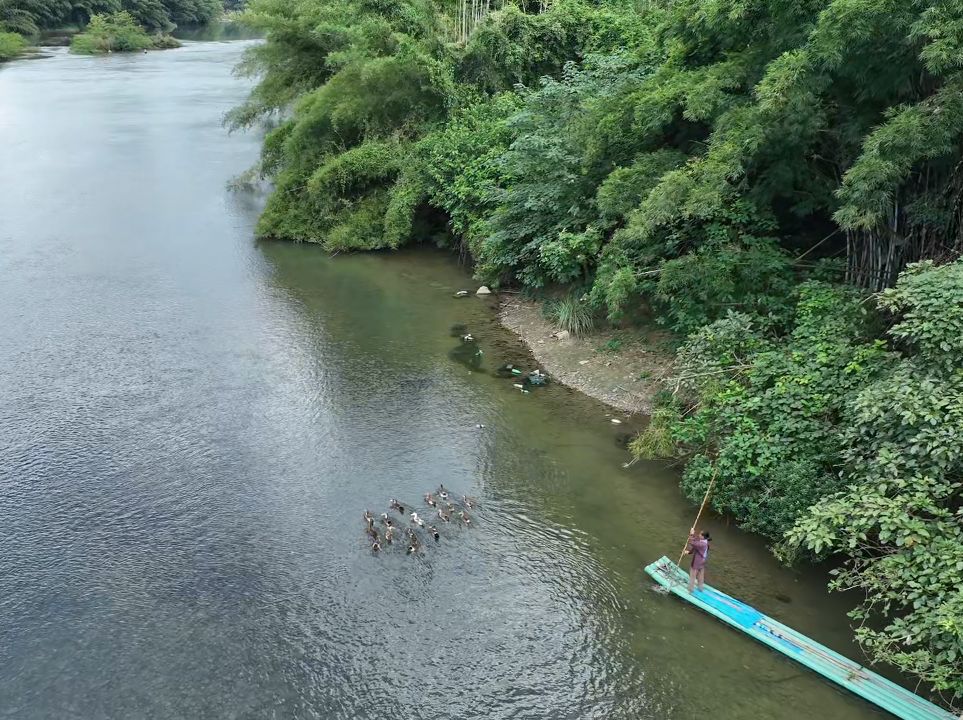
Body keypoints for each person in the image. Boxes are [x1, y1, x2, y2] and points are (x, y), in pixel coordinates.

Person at [686, 527, 711, 593]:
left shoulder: (702, 544)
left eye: (700, 534)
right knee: (700, 575)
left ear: (703, 536)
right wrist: (689, 552)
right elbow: (696, 544)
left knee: (692, 575)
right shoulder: (705, 542)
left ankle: (690, 589)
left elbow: (692, 543)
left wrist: (691, 534)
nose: (699, 534)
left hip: (697, 562)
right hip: (702, 561)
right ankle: (700, 588)